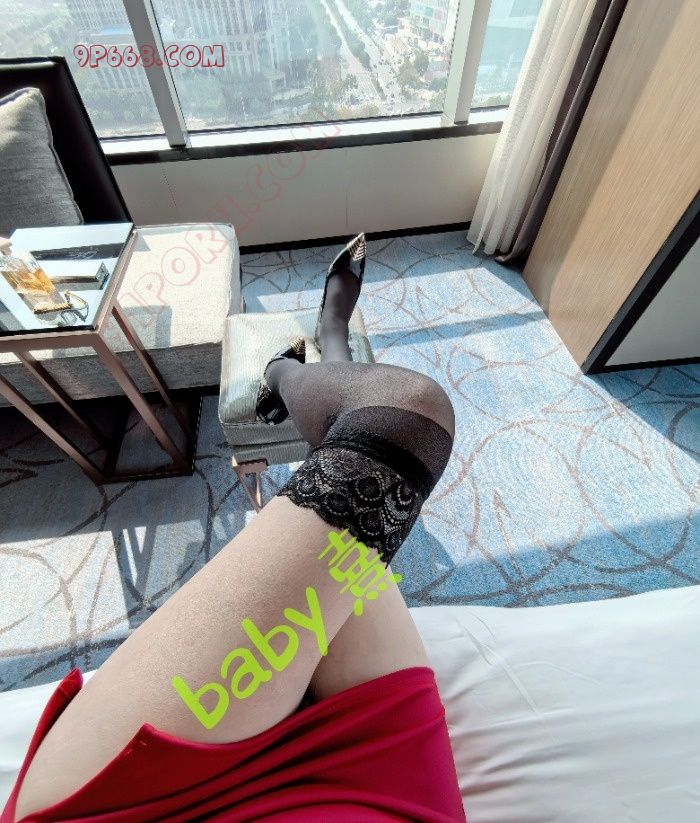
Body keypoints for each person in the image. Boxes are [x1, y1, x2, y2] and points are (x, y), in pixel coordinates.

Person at [4, 234, 464, 822]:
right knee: (392, 433)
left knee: (381, 445)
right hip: (388, 789)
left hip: (145, 803)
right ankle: (317, 357)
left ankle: (289, 370)